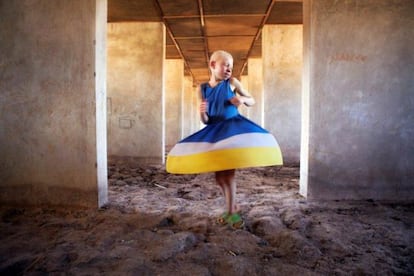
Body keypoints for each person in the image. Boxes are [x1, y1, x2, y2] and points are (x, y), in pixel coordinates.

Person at [166, 50, 283, 228]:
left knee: (228, 175)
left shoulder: (232, 82)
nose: (229, 68)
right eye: (225, 64)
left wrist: (241, 99)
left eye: (231, 66)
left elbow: (252, 100)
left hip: (233, 130)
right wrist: (202, 112)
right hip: (215, 132)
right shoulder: (202, 89)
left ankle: (231, 212)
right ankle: (232, 206)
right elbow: (205, 121)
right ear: (213, 65)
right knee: (220, 177)